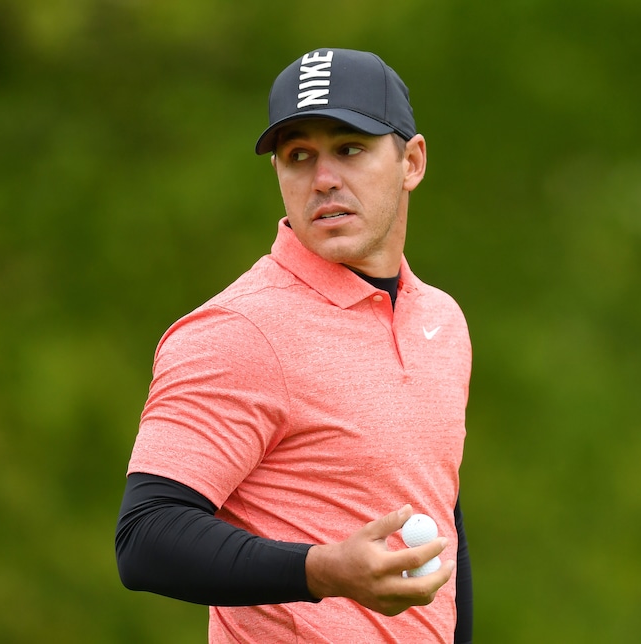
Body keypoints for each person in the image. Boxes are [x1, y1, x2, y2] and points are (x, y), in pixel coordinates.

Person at [116, 48, 473, 643]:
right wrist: (321, 570)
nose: (323, 178)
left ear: (412, 161)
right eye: (298, 156)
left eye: (349, 148)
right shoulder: (238, 330)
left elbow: (440, 518)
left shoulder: (442, 320)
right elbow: (146, 536)